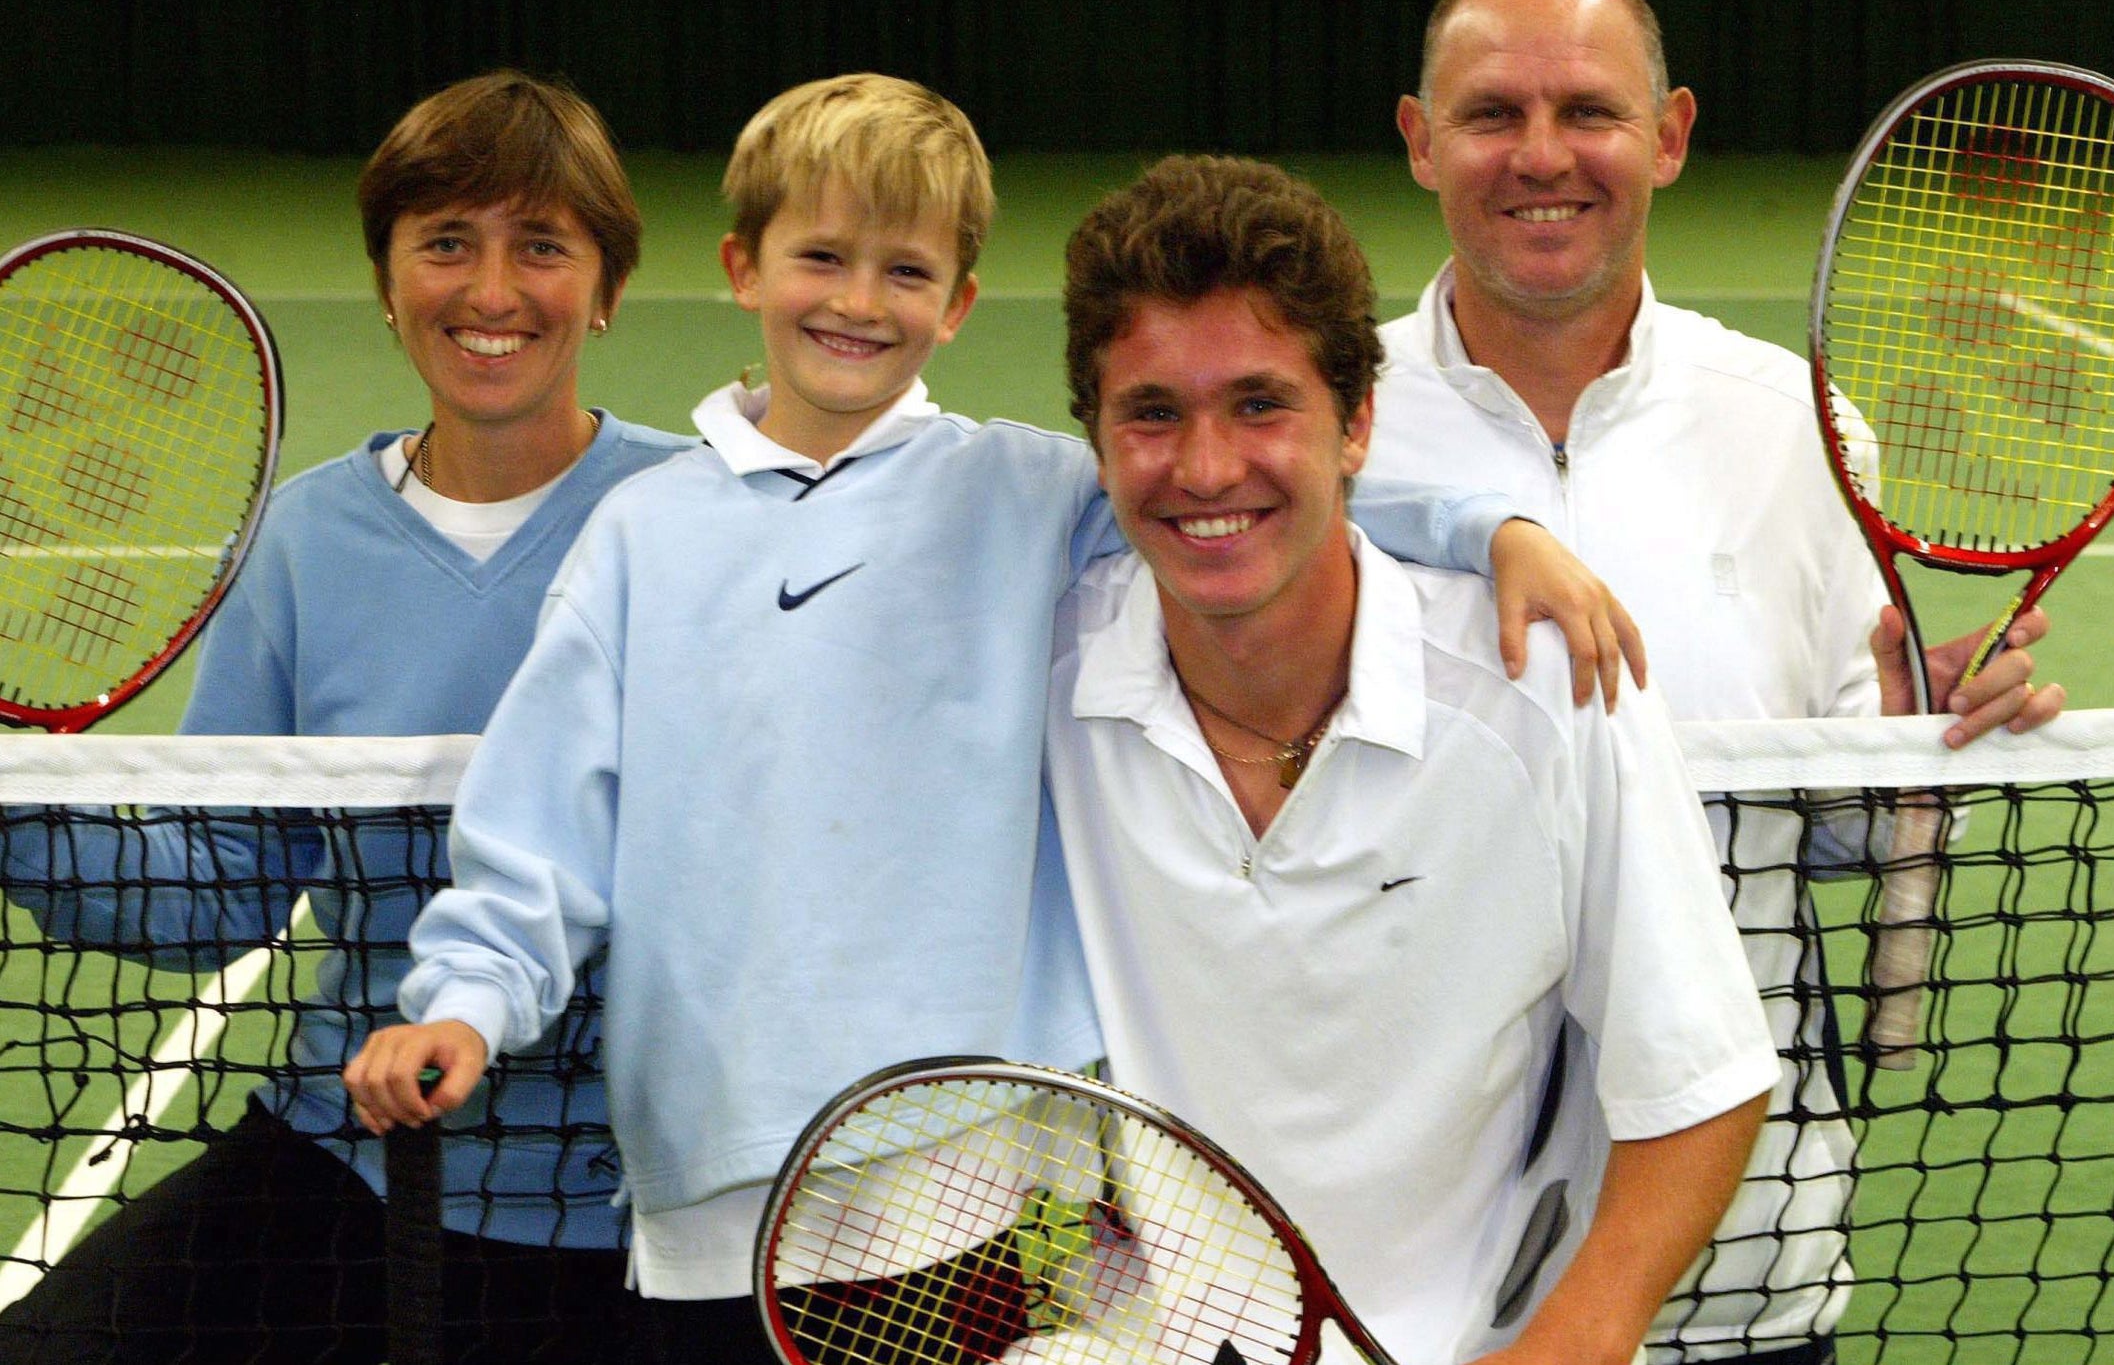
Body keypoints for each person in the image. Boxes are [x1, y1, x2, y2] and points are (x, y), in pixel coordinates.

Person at [339, 73, 1645, 1365]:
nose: (857, 301)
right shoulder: (641, 534)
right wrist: (465, 1001)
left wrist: (1496, 529)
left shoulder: (1023, 491)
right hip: (711, 1188)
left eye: (904, 271)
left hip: (974, 1184)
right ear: (743, 266)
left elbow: (1261, 495)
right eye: (821, 257)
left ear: (958, 303)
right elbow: (545, 821)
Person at [1366, 0, 2066, 1365]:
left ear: (1670, 134)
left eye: (1590, 111)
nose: (1542, 155)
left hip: (1733, 1261)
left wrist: (1907, 726)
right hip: (1395, 1257)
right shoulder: (1314, 427)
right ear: (1419, 139)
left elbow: (1832, 835)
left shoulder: (1797, 427)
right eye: (1492, 111)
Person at [0, 70, 694, 1363]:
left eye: (540, 245)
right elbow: (220, 890)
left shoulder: (694, 516)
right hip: (348, 1150)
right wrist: (21, 813)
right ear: (387, 282)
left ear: (603, 287)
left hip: (624, 1200)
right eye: (445, 243)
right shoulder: (311, 537)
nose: (490, 292)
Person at [1044, 152, 1781, 1365]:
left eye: (1261, 403)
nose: (1207, 468)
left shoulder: (1549, 692)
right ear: (1097, 436)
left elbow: (1698, 1077)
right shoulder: (1044, 678)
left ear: (1358, 423)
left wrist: (1570, 1345)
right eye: (1152, 414)